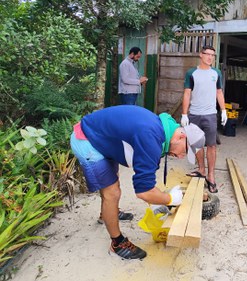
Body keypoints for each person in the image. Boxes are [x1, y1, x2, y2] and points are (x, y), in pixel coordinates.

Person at [70, 106, 205, 260]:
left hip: (101, 136)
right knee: (112, 193)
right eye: (185, 151)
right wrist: (169, 199)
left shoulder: (163, 129)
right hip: (87, 140)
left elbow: (145, 173)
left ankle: (107, 214)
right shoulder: (150, 137)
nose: (181, 157)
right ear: (181, 136)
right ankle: (117, 244)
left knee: (112, 182)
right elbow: (143, 191)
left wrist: (157, 200)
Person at [181, 45, 227, 193]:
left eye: (213, 55)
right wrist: (184, 114)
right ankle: (201, 170)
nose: (210, 57)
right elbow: (187, 93)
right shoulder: (192, 73)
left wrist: (224, 110)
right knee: (197, 144)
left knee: (211, 145)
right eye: (207, 54)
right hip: (194, 114)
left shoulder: (216, 73)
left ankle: (211, 176)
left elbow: (219, 92)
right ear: (200, 55)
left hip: (210, 114)